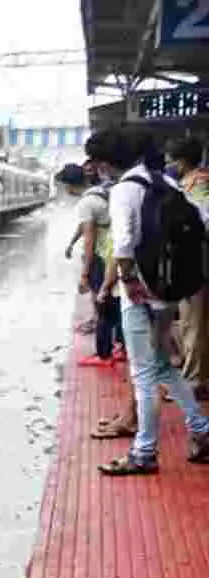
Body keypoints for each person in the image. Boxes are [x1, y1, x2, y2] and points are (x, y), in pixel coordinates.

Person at [90, 128, 209, 475]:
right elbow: (202, 223)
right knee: (161, 365)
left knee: (142, 373)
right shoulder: (167, 183)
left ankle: (144, 453)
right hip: (169, 290)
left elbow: (123, 243)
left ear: (108, 161)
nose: (97, 168)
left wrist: (128, 284)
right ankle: (202, 432)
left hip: (140, 293)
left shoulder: (125, 189)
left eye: (98, 161)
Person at [56, 163, 122, 366]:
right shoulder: (98, 193)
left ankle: (104, 354)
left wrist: (85, 274)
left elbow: (90, 239)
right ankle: (121, 345)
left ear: (69, 185)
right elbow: (86, 226)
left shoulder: (85, 203)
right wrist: (71, 242)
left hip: (102, 256)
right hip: (112, 252)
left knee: (102, 303)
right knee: (115, 301)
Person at [166, 137, 209, 397]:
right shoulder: (200, 181)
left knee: (192, 322)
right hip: (199, 262)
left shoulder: (195, 185)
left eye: (172, 160)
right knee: (196, 322)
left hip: (196, 262)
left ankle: (193, 381)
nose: (170, 164)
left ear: (181, 161)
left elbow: (202, 222)